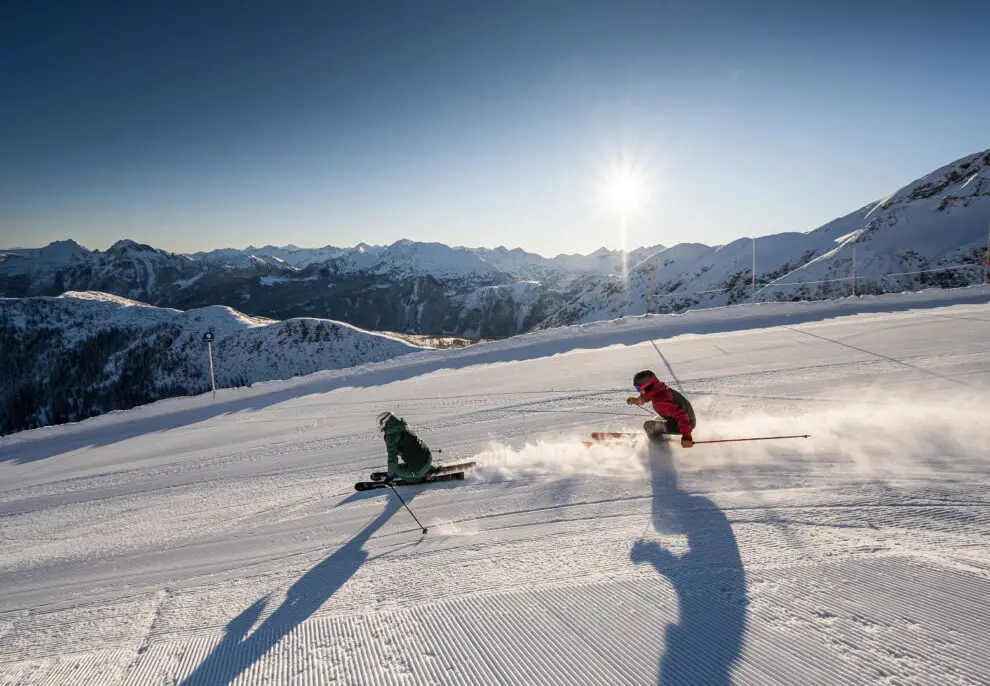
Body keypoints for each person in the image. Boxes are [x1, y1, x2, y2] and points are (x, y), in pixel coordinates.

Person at [626, 370, 696, 447]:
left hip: (685, 423)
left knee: (649, 426)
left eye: (639, 388)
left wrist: (686, 437)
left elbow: (682, 416)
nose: (639, 391)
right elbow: (647, 396)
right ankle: (661, 438)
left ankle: (660, 448)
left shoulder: (661, 399)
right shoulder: (657, 389)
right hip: (681, 419)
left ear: (647, 385)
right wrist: (636, 400)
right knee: (657, 420)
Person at [377, 411, 434, 483]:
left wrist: (390, 475)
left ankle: (419, 477)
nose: (383, 429)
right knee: (413, 455)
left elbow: (392, 459)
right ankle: (430, 468)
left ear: (386, 422)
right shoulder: (403, 424)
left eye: (381, 424)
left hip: (418, 468)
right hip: (428, 456)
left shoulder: (391, 437)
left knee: (397, 470)